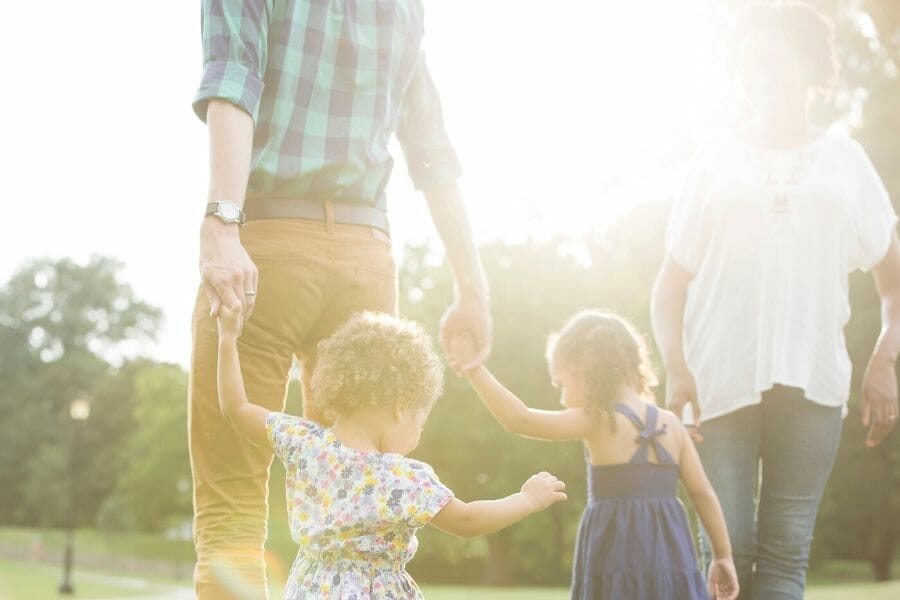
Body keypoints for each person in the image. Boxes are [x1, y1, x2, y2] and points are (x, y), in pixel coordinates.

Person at [189, 1, 491, 597]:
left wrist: (223, 222)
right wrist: (472, 288)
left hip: (269, 245)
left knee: (233, 507)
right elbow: (431, 151)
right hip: (366, 261)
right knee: (359, 501)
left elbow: (234, 81)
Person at [650, 3, 900, 598]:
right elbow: (669, 284)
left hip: (813, 381)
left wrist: (886, 356)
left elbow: (893, 279)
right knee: (725, 554)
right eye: (749, 64)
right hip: (716, 382)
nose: (757, 75)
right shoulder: (716, 157)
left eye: (772, 61)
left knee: (787, 557)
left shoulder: (847, 162)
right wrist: (676, 367)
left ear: (813, 66)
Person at [217, 309, 566, 599]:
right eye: (420, 421)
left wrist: (228, 338)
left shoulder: (304, 443)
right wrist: (527, 499)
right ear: (401, 409)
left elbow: (236, 407)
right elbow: (467, 521)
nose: (418, 435)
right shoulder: (401, 479)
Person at [450, 310, 738, 600]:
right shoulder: (672, 424)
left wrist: (474, 369)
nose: (562, 399)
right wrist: (723, 556)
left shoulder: (598, 418)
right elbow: (703, 495)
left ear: (586, 369)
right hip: (671, 557)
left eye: (561, 384)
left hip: (618, 557)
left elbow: (520, 420)